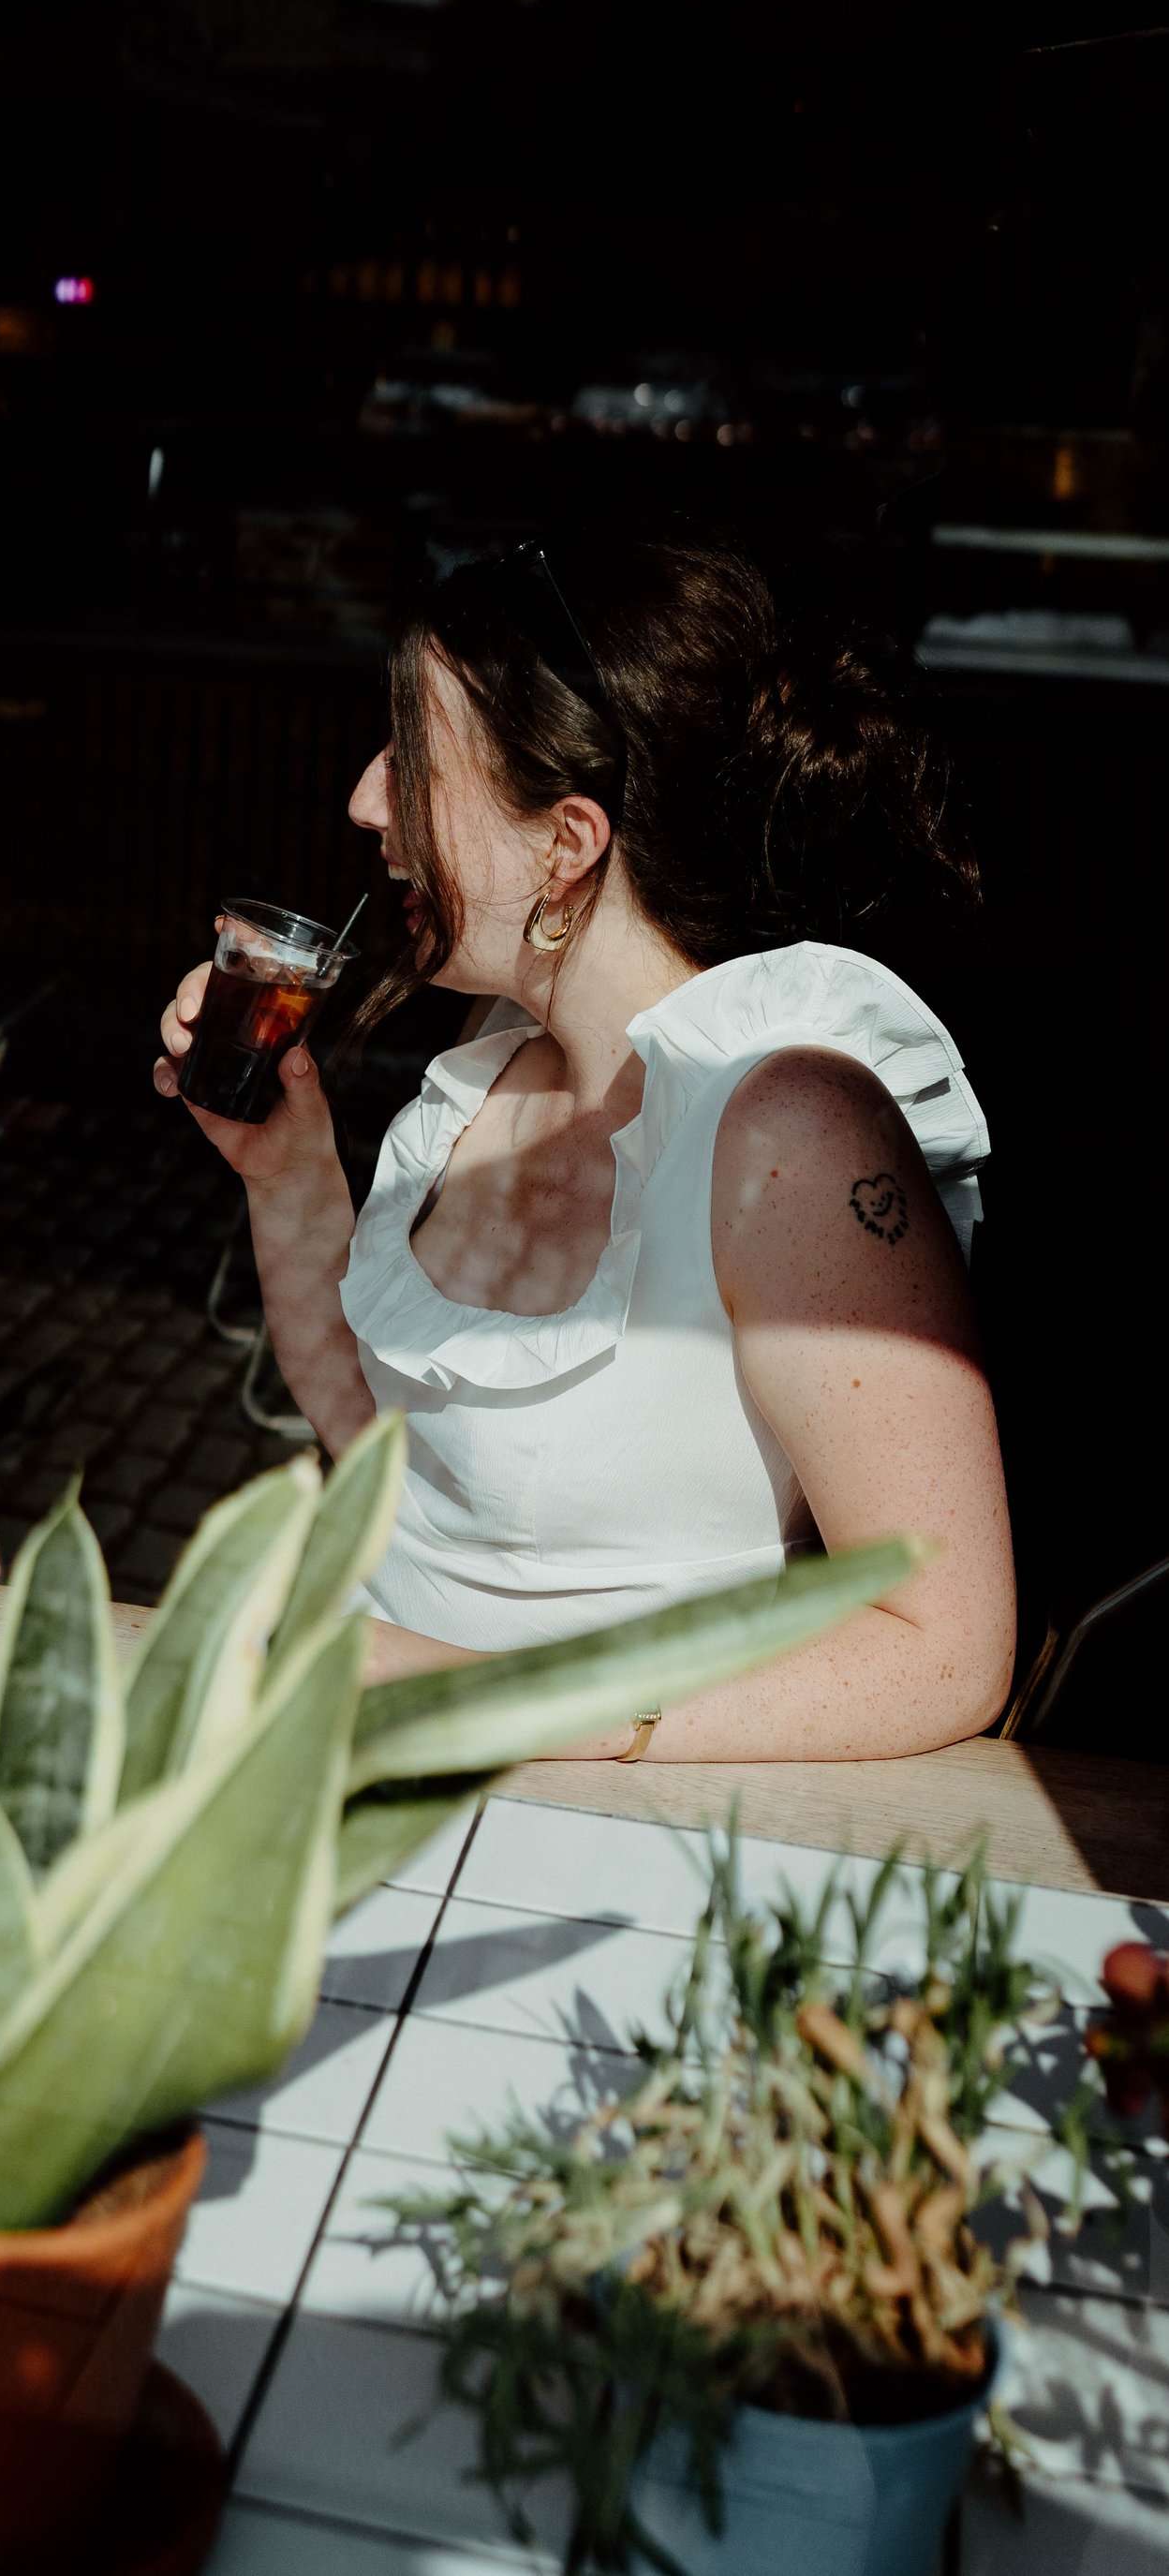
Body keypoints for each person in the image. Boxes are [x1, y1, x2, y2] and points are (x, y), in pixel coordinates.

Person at [157, 539, 1015, 1759]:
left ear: (565, 844)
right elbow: (388, 1459)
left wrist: (478, 1697)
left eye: (410, 755)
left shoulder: (793, 1128)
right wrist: (285, 1170)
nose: (363, 798)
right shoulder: (488, 1065)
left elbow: (943, 1642)